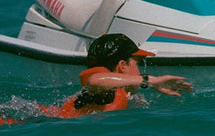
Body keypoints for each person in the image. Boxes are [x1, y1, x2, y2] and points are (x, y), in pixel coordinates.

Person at [42, 33, 192, 118]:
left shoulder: (118, 94)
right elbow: (95, 80)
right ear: (122, 66)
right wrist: (148, 81)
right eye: (138, 63)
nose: (140, 70)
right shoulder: (108, 91)